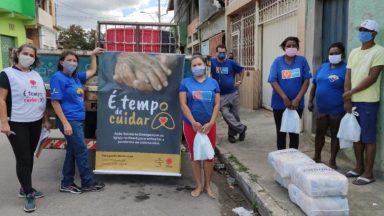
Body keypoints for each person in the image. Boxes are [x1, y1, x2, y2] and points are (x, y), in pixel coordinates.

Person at [0, 43, 50, 212]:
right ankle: (28, 193)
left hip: (35, 121)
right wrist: (4, 123)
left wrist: (45, 119)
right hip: (16, 122)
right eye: (25, 53)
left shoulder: (36, 74)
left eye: (32, 55)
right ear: (17, 54)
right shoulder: (7, 74)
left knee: (29, 156)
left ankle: (25, 187)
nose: (28, 57)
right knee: (23, 159)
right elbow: (1, 99)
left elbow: (41, 98)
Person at [50, 48, 105, 193]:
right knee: (81, 150)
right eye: (69, 60)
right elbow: (55, 102)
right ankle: (87, 182)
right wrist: (66, 123)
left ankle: (66, 183)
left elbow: (92, 71)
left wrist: (93, 55)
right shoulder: (58, 77)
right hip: (69, 121)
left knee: (72, 151)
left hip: (78, 120)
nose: (72, 63)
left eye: (75, 61)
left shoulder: (75, 78)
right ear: (62, 62)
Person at [343, 19, 384, 185]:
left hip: (368, 101)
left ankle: (368, 173)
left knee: (368, 138)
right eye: (360, 29)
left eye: (364, 29)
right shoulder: (354, 52)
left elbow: (372, 78)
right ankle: (358, 167)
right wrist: (348, 97)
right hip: (353, 101)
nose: (361, 32)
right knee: (356, 137)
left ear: (374, 34)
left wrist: (351, 92)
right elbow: (348, 76)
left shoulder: (379, 51)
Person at [179, 55, 220, 198]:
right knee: (195, 155)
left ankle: (208, 185)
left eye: (199, 64)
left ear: (205, 65)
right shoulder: (185, 83)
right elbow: (183, 104)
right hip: (191, 126)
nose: (197, 67)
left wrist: (211, 122)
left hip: (209, 126)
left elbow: (217, 105)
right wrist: (193, 122)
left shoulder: (213, 83)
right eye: (194, 65)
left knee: (209, 155)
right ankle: (199, 185)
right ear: (191, 68)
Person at [268, 36, 312, 150]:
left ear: (297, 48)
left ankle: (293, 158)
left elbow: (306, 80)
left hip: (297, 104)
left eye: (294, 46)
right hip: (279, 104)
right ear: (284, 48)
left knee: (294, 133)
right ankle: (281, 158)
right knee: (281, 132)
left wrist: (297, 99)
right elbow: (272, 80)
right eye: (288, 46)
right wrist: (284, 97)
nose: (291, 48)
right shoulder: (277, 62)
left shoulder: (302, 61)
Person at [308, 42, 347, 169]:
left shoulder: (346, 69)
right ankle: (317, 156)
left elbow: (348, 88)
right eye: (331, 53)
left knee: (335, 135)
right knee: (320, 133)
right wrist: (310, 100)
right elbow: (314, 84)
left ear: (342, 55)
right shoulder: (323, 67)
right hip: (321, 108)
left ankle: (332, 160)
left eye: (336, 53)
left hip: (337, 109)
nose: (333, 55)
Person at [211, 44, 246, 143]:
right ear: (216, 53)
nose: (222, 54)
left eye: (223, 52)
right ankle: (242, 128)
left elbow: (242, 70)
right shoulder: (212, 63)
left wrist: (240, 81)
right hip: (220, 95)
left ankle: (231, 135)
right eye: (220, 52)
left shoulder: (231, 63)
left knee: (235, 116)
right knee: (226, 115)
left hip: (233, 93)